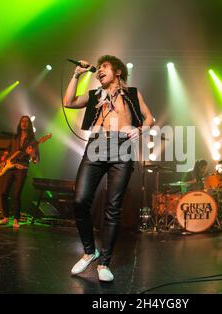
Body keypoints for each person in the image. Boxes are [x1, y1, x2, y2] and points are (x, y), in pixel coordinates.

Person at [63, 55, 154, 281]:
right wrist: (76, 75)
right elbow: (68, 101)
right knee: (80, 200)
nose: (99, 71)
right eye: (99, 68)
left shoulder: (132, 93)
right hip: (96, 146)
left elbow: (150, 118)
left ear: (118, 72)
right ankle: (89, 251)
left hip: (122, 149)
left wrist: (140, 129)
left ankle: (104, 262)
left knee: (112, 208)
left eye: (104, 67)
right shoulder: (95, 95)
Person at [0, 116, 40, 228]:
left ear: (29, 125)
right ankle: (6, 217)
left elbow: (36, 160)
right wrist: (3, 160)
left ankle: (16, 220)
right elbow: (7, 150)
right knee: (3, 193)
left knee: (16, 195)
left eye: (26, 122)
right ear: (20, 124)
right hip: (10, 168)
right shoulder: (14, 137)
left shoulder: (33, 142)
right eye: (22, 121)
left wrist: (32, 154)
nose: (24, 123)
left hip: (21, 169)